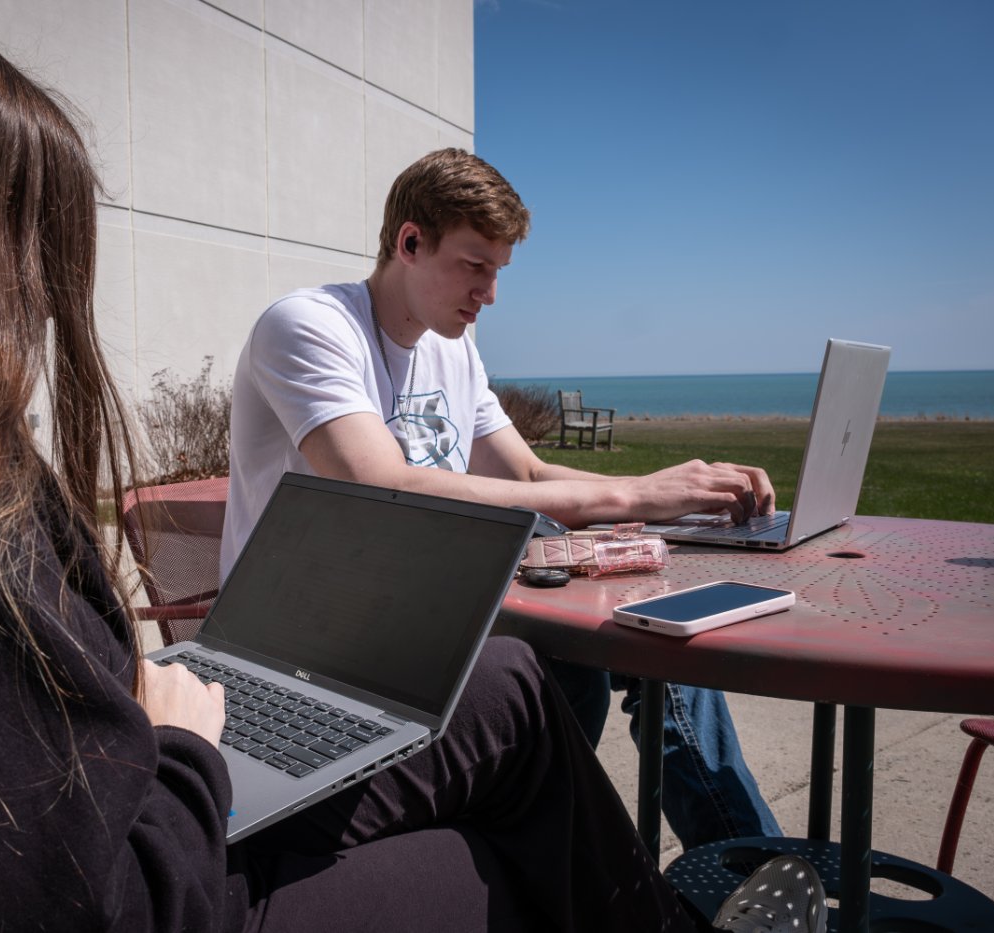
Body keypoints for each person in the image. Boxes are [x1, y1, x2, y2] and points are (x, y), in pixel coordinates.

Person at [0, 14, 825, 933]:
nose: (47, 302)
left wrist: (134, 691)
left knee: (512, 687)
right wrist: (188, 747)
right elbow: (100, 903)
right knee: (513, 836)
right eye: (50, 256)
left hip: (128, 789)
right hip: (168, 854)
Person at [223, 147, 782, 850]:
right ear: (410, 242)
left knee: (652, 631)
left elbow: (523, 475)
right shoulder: (308, 327)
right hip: (322, 646)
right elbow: (380, 485)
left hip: (433, 613)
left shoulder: (452, 348)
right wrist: (635, 490)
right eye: (475, 265)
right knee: (568, 666)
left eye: (498, 272)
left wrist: (673, 492)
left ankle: (749, 865)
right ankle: (550, 859)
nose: (489, 294)